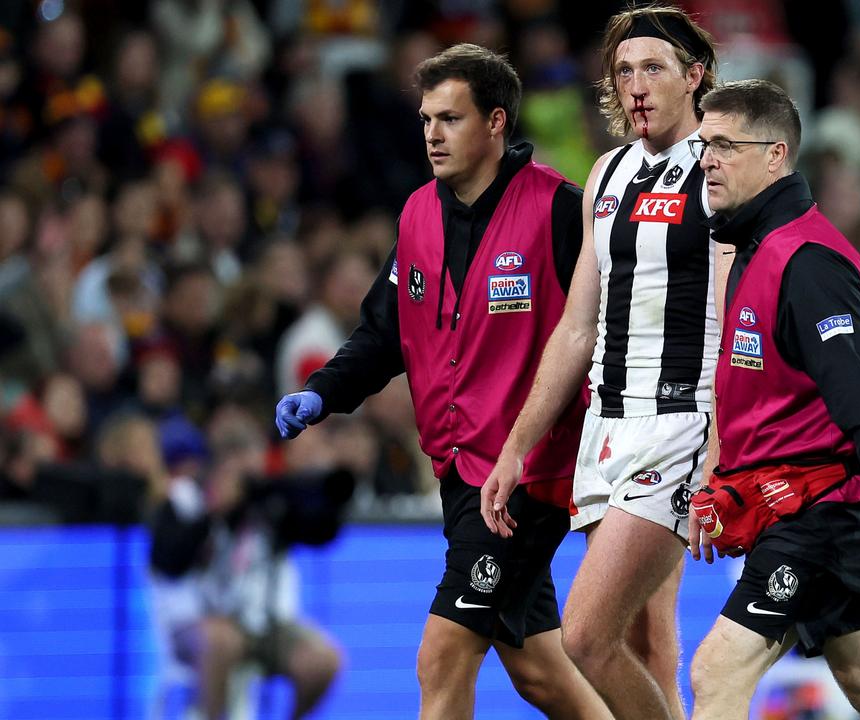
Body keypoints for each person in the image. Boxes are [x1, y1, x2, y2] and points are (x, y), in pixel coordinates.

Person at [272, 44, 609, 720]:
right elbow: (384, 331)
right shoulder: (418, 214)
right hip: (459, 472)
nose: (431, 133)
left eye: (450, 118)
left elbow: (604, 331)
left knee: (442, 655)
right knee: (539, 671)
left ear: (495, 123)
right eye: (426, 118)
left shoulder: (557, 212)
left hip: (524, 477)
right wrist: (325, 392)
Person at [482, 6, 722, 720]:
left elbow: (748, 307)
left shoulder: (720, 163)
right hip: (607, 426)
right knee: (644, 636)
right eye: (623, 70)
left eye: (653, 67)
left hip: (682, 420)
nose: (636, 85)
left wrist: (724, 437)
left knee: (585, 637)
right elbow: (576, 326)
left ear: (695, 75)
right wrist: (518, 444)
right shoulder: (608, 174)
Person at [684, 79, 860, 719]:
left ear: (775, 156)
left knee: (717, 671)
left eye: (724, 144)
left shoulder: (807, 263)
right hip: (801, 505)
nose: (707, 158)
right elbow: (770, 397)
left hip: (822, 513)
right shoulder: (760, 248)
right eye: (703, 143)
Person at [149, 406, 346, 720]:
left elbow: (320, 534)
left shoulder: (267, 502)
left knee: (322, 661)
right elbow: (168, 562)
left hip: (262, 624)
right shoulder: (185, 498)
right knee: (222, 640)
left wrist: (315, 495)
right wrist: (213, 511)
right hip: (193, 622)